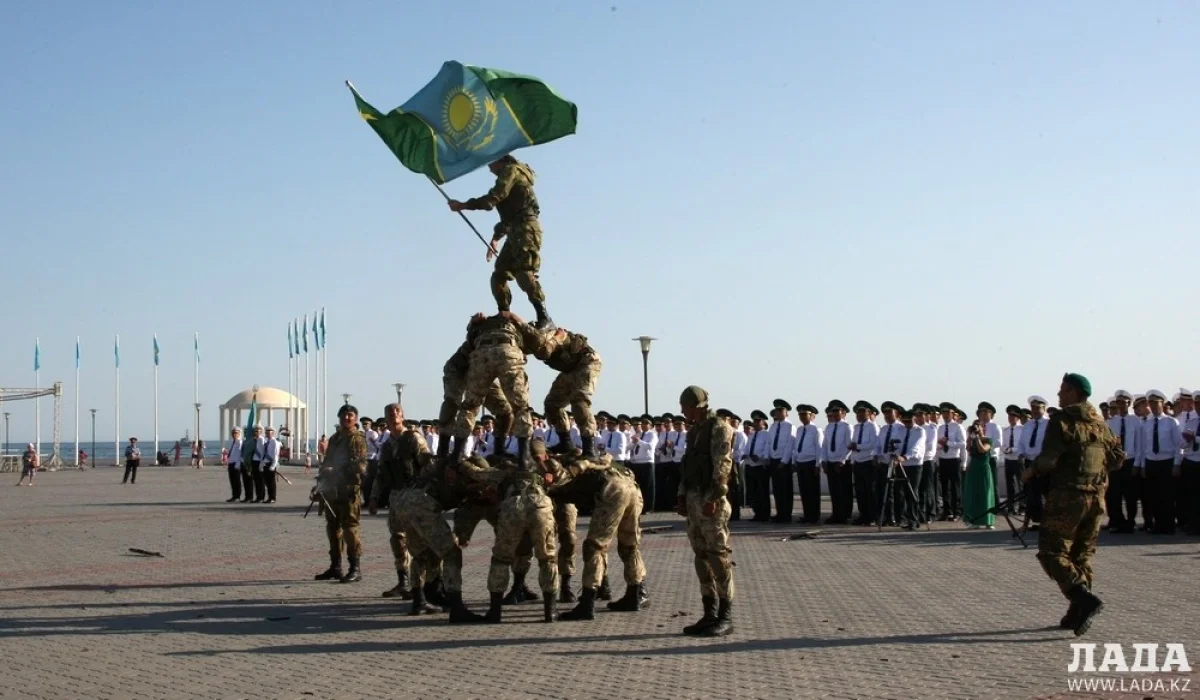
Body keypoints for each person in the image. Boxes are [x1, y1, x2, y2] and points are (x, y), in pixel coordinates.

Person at [1022, 373, 1124, 637]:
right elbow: (1117, 458)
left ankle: (1084, 599)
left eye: (1063, 391)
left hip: (1068, 498)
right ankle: (1076, 613)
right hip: (1096, 498)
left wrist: (1031, 472)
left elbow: (1048, 460)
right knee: (1080, 556)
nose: (1058, 395)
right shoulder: (1101, 424)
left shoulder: (1062, 421)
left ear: (1075, 393)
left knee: (1051, 552)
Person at [446, 156, 554, 329]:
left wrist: (464, 205)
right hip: (515, 231)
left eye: (491, 164)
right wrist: (496, 238)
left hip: (526, 230)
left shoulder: (511, 171)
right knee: (498, 275)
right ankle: (504, 315)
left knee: (524, 274)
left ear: (500, 160)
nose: (489, 169)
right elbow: (509, 216)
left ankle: (544, 317)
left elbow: (493, 199)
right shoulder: (510, 174)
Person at [547, 448, 648, 621]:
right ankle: (636, 593)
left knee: (594, 546)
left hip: (613, 490)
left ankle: (587, 603)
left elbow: (563, 487)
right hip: (633, 488)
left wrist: (550, 490)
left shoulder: (578, 467)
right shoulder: (605, 461)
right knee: (629, 545)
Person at [676, 386, 735, 637]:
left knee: (718, 557)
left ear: (696, 406)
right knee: (701, 556)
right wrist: (681, 494)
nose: (682, 411)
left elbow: (723, 466)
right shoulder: (695, 430)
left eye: (685, 407)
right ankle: (709, 613)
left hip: (711, 503)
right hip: (694, 500)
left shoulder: (719, 427)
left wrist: (713, 498)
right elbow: (688, 464)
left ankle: (725, 616)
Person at [369, 403, 429, 600]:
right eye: (389, 413)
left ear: (402, 416)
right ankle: (402, 581)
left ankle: (420, 586)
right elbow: (380, 474)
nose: (393, 415)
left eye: (397, 412)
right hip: (396, 497)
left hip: (413, 496)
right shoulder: (387, 445)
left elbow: (428, 466)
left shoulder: (413, 439)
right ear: (385, 419)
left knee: (416, 541)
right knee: (397, 539)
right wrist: (374, 497)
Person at [313, 404, 369, 584]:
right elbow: (326, 463)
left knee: (350, 529)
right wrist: (320, 484)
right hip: (332, 490)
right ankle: (335, 566)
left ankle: (355, 568)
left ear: (355, 418)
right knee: (333, 528)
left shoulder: (358, 439)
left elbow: (360, 466)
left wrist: (336, 469)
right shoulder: (335, 439)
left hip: (349, 490)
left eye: (350, 415)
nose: (347, 418)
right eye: (344, 416)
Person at [962, 418, 996, 529]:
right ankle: (973, 520)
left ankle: (988, 521)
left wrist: (977, 439)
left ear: (983, 428)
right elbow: (968, 450)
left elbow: (983, 450)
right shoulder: (972, 439)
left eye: (978, 426)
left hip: (983, 468)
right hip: (973, 468)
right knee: (973, 494)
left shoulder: (988, 440)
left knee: (985, 493)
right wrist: (969, 438)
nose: (976, 428)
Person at [262, 427, 281, 504]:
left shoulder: (274, 442)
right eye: (267, 432)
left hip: (271, 463)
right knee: (267, 482)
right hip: (266, 464)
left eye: (270, 432)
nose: (268, 433)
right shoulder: (267, 442)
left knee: (271, 482)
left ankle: (273, 498)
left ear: (273, 433)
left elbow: (276, 455)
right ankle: (269, 497)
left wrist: (273, 465)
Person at [225, 427, 245, 503]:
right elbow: (231, 453)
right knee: (232, 480)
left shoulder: (240, 442)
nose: (234, 434)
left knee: (237, 481)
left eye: (236, 433)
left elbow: (239, 454)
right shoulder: (232, 442)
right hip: (230, 463)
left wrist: (238, 463)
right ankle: (234, 495)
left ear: (239, 434)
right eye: (233, 433)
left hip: (236, 463)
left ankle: (237, 496)